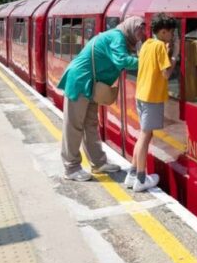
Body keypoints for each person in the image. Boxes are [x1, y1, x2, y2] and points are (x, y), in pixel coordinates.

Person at [58, 16, 146, 181]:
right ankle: (71, 167)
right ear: (130, 28)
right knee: (74, 125)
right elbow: (122, 60)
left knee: (90, 124)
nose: (142, 33)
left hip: (92, 84)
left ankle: (98, 162)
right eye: (139, 29)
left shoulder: (122, 39)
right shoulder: (117, 37)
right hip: (80, 81)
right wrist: (148, 61)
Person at [124, 14, 178, 192]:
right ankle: (140, 178)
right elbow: (166, 74)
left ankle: (132, 174)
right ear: (163, 32)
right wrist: (175, 56)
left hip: (141, 95)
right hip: (152, 98)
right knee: (145, 136)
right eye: (171, 32)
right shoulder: (161, 46)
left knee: (143, 135)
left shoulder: (147, 44)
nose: (172, 36)